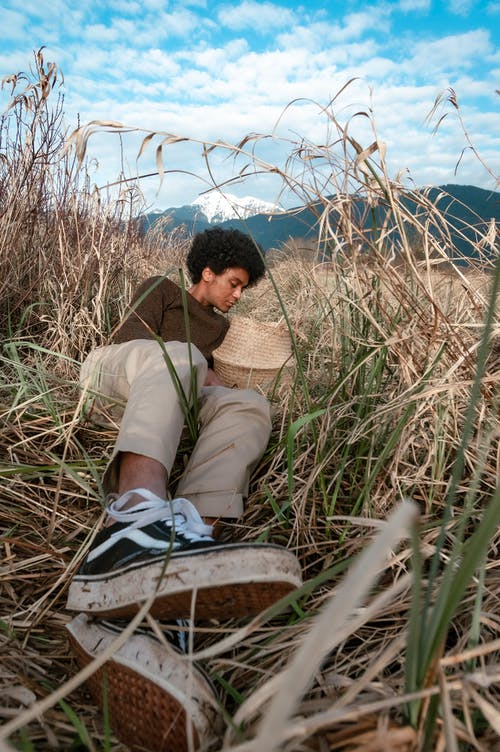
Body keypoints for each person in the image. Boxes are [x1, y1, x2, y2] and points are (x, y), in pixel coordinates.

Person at [66, 227, 302, 751]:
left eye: (244, 288)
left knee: (250, 406)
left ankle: (183, 555)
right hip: (113, 374)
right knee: (181, 357)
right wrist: (198, 366)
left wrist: (223, 380)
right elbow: (133, 346)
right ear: (208, 272)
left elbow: (207, 385)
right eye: (234, 283)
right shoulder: (162, 291)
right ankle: (133, 518)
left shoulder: (222, 332)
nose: (237, 295)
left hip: (177, 383)